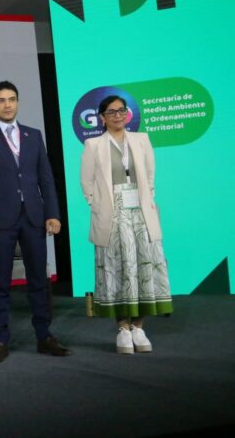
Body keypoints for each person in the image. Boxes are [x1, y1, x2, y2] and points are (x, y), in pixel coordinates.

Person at [0, 80, 71, 364]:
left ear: (17, 102)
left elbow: (46, 178)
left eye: (11, 99)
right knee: (0, 282)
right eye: (1, 100)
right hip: (0, 221)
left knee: (38, 279)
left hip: (34, 218)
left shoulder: (33, 135)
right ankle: (0, 340)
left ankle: (44, 336)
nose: (7, 105)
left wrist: (53, 213)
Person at [80, 95, 172, 354]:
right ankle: (122, 328)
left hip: (141, 213)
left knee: (143, 267)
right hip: (111, 214)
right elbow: (87, 182)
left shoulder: (141, 140)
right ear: (102, 117)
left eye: (122, 110)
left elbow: (150, 177)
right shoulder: (93, 144)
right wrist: (98, 206)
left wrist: (146, 200)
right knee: (116, 268)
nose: (118, 115)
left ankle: (139, 327)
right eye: (111, 112)